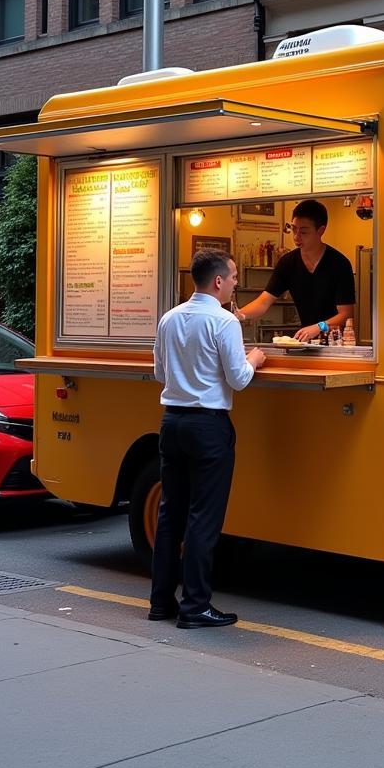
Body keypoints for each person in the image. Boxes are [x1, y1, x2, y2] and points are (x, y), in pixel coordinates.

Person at [150, 250, 267, 628]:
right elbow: (239, 379)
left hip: (172, 422)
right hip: (208, 427)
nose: (235, 283)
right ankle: (196, 606)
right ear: (218, 282)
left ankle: (161, 602)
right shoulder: (224, 321)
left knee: (170, 513)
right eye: (233, 277)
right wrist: (256, 359)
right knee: (203, 517)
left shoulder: (169, 319)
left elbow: (159, 373)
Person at [236, 198, 355, 342]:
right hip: (306, 340)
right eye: (294, 229)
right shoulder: (287, 263)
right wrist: (239, 315)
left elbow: (346, 314)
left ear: (321, 231)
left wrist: (319, 327)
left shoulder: (339, 264)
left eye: (303, 232)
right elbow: (263, 302)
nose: (296, 237)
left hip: (336, 341)